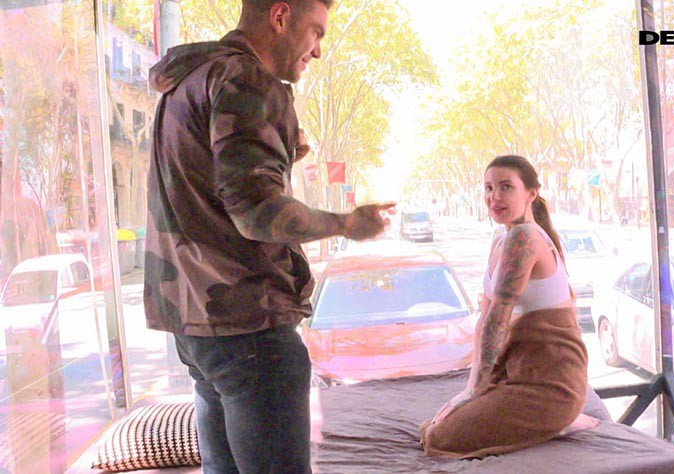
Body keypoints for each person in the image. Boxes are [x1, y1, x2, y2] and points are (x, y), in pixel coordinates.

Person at [144, 1, 393, 472]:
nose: (317, 50)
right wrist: (346, 224)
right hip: (249, 326)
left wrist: (277, 156)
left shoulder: (188, 81)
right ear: (280, 17)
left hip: (197, 325)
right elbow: (255, 213)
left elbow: (208, 194)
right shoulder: (248, 81)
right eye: (315, 32)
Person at [420, 154, 598, 459]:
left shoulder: (525, 237)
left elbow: (498, 319)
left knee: (438, 439)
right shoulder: (501, 239)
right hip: (518, 373)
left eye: (506, 187)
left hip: (552, 384)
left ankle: (558, 419)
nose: (495, 197)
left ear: (531, 193)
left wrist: (475, 391)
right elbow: (485, 318)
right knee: (434, 426)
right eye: (489, 188)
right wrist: (473, 386)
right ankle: (554, 421)